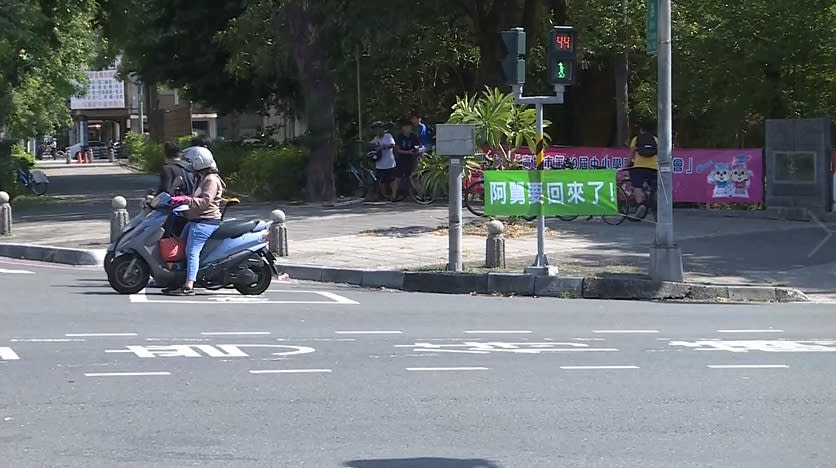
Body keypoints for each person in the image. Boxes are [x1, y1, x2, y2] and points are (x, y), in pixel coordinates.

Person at [164, 146, 226, 296]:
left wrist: (187, 200)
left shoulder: (211, 180)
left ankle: (189, 285)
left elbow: (205, 202)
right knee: (180, 247)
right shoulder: (202, 178)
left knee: (192, 251)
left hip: (205, 221)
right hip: (195, 219)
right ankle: (178, 280)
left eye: (190, 161)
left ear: (199, 162)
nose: (188, 164)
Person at [628, 123, 659, 219]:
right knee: (654, 187)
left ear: (641, 130)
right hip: (654, 167)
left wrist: (625, 165)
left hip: (640, 166)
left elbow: (630, 155)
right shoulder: (655, 139)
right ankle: (656, 205)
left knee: (637, 185)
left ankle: (640, 204)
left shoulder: (636, 139)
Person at [369, 121, 398, 201]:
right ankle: (385, 195)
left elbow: (392, 145)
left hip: (389, 163)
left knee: (392, 179)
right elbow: (371, 148)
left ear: (381, 129)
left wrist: (382, 147)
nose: (377, 131)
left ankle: (394, 196)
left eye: (378, 129)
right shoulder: (375, 139)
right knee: (382, 181)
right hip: (380, 164)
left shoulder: (388, 136)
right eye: (375, 130)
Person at [394, 119, 421, 196]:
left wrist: (416, 150)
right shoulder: (400, 137)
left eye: (409, 127)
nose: (408, 129)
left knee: (414, 177)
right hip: (402, 159)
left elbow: (418, 146)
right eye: (406, 127)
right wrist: (407, 152)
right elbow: (397, 150)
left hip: (412, 159)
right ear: (402, 128)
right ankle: (394, 196)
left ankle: (420, 194)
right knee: (397, 177)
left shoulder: (414, 136)